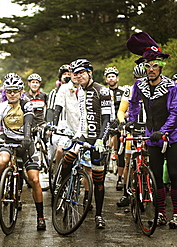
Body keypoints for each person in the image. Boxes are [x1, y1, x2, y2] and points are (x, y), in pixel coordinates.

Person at [127, 32, 177, 228]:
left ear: (161, 66)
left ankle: (176, 214)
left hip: (172, 137)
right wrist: (131, 122)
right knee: (156, 175)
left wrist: (165, 131)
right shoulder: (139, 85)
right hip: (152, 137)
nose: (151, 69)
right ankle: (160, 213)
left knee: (174, 174)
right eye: (147, 65)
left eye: (154, 65)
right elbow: (133, 105)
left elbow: (176, 112)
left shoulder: (170, 87)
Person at [0, 76, 47, 231]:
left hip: (26, 143)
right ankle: (1, 182)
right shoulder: (1, 106)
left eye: (15, 91)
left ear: (21, 92)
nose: (12, 94)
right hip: (9, 141)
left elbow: (28, 122)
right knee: (1, 161)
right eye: (9, 91)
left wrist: (26, 137)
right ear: (6, 92)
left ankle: (40, 216)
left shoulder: (27, 105)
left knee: (35, 180)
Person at [69, 58, 112, 229]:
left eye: (81, 73)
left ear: (89, 72)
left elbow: (107, 119)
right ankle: (64, 188)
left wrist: (102, 139)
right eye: (75, 74)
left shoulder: (102, 91)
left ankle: (99, 215)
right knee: (67, 157)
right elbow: (82, 117)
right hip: (84, 136)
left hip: (98, 139)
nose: (79, 77)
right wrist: (78, 134)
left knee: (98, 180)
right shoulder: (79, 91)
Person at [116, 64, 147, 207]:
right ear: (134, 78)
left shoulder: (153, 89)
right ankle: (126, 193)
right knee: (128, 160)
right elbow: (121, 111)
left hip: (149, 128)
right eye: (138, 78)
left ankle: (149, 187)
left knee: (150, 160)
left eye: (144, 77)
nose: (141, 80)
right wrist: (122, 123)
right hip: (133, 129)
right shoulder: (129, 90)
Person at [104, 66, 125, 190]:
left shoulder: (122, 92)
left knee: (121, 152)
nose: (111, 78)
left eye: (113, 76)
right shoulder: (103, 92)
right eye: (109, 77)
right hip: (107, 123)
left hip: (119, 123)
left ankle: (120, 178)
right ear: (106, 80)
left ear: (117, 78)